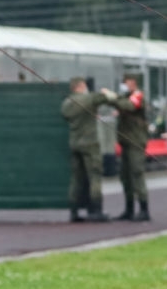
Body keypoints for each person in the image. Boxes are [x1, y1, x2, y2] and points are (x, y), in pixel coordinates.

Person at [60, 77, 111, 222]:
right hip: (90, 143)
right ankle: (97, 211)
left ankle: (74, 212)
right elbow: (105, 98)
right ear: (81, 86)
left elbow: (65, 116)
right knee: (95, 176)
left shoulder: (66, 103)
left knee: (76, 179)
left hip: (75, 143)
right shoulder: (89, 99)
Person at [114, 73, 150, 221]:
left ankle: (144, 209)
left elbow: (129, 105)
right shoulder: (125, 96)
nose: (125, 83)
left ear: (134, 82)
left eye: (127, 81)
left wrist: (112, 98)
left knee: (137, 174)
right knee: (125, 176)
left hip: (136, 142)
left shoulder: (138, 95)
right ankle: (129, 209)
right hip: (125, 141)